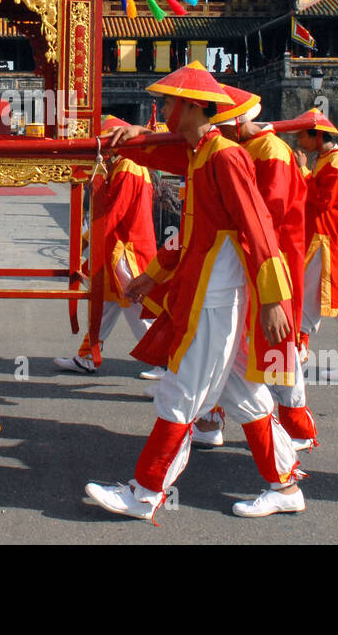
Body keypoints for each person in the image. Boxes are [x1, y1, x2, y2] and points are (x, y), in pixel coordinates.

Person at [89, 62, 302, 520]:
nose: (161, 108)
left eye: (167, 102)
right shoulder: (201, 154)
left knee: (181, 391)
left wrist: (272, 299)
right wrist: (157, 272)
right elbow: (198, 232)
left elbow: (258, 227)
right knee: (247, 396)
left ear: (189, 107)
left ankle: (145, 492)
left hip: (217, 297)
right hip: (209, 292)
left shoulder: (224, 156)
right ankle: (284, 486)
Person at [210, 87, 318, 450]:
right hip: (245, 258)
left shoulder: (270, 152)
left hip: (272, 261)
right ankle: (213, 418)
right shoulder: (246, 149)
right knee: (232, 345)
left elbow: (265, 217)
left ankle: (296, 427)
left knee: (274, 349)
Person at [55, 116, 158, 376]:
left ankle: (167, 361)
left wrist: (86, 240)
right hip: (120, 248)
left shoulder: (127, 167)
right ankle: (88, 356)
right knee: (105, 305)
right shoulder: (126, 165)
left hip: (126, 251)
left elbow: (113, 213)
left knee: (136, 306)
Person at [293, 110, 338, 385]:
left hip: (326, 241)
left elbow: (322, 200)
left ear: (317, 135)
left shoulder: (336, 162)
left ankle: (295, 360)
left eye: (303, 134)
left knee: (304, 301)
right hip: (329, 239)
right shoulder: (327, 160)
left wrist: (302, 172)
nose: (299, 140)